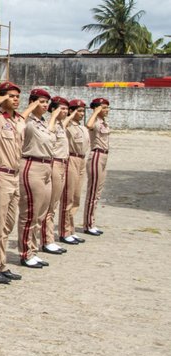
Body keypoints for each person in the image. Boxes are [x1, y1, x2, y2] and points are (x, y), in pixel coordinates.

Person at [0, 82, 28, 285]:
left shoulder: (18, 120)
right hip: (0, 174)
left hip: (15, 175)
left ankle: (1, 263)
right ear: (2, 98)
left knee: (9, 222)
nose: (16, 100)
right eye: (11, 96)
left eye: (17, 96)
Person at [18, 89, 60, 268]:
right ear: (32, 102)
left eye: (46, 103)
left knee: (41, 212)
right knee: (30, 213)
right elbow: (18, 121)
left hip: (46, 166)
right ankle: (26, 253)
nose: (44, 105)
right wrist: (30, 107)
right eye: (41, 102)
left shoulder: (42, 122)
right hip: (31, 165)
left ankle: (33, 250)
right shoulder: (27, 121)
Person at [41, 96, 73, 256]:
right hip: (54, 164)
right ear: (53, 109)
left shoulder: (61, 124)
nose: (66, 111)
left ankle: (49, 238)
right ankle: (47, 240)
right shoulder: (51, 124)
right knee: (50, 204)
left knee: (54, 203)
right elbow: (48, 133)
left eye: (67, 109)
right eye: (62, 108)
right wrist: (53, 115)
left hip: (63, 164)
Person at [60, 99, 90, 245]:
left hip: (82, 160)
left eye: (83, 111)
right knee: (68, 196)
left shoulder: (82, 128)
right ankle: (64, 231)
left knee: (77, 196)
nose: (81, 113)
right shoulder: (67, 126)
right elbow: (62, 126)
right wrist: (69, 117)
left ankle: (71, 229)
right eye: (78, 110)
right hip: (71, 159)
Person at [83, 97, 110, 236]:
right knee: (92, 191)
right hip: (96, 156)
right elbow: (88, 125)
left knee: (98, 192)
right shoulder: (94, 122)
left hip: (104, 156)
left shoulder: (103, 123)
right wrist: (96, 111)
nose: (106, 110)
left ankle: (92, 221)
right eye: (103, 108)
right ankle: (88, 224)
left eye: (106, 108)